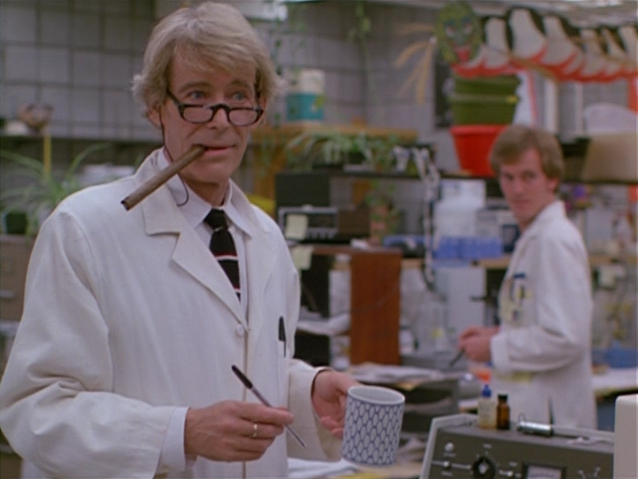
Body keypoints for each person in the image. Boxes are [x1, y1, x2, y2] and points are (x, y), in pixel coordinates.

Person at [0, 3, 359, 477]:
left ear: (258, 108)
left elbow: (238, 370)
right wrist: (178, 433)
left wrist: (306, 392)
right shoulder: (84, 229)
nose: (220, 120)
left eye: (238, 96)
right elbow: (36, 408)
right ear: (156, 107)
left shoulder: (266, 238)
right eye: (197, 96)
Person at [458, 124, 596, 429]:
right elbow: (543, 321)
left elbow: (566, 337)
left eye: (528, 176)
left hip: (551, 423)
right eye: (508, 177)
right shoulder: (535, 237)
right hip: (531, 417)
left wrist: (495, 347)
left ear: (552, 179)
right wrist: (497, 333)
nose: (517, 190)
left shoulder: (554, 240)